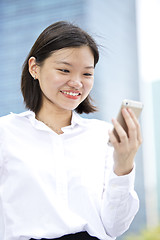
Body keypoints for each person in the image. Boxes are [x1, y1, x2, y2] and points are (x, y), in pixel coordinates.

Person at [0, 21, 142, 240]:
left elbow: (115, 226)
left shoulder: (103, 136)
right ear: (34, 68)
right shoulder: (5, 133)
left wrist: (123, 166)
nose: (76, 83)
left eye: (87, 74)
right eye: (64, 70)